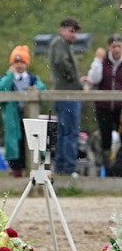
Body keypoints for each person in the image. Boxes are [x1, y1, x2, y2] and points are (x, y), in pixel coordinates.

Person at [0, 45, 46, 178]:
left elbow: (42, 90)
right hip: (13, 118)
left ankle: (34, 173)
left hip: (29, 116)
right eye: (16, 62)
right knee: (15, 146)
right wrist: (10, 75)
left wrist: (35, 89)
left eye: (22, 62)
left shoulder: (33, 79)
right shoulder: (5, 78)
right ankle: (16, 172)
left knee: (31, 144)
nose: (19, 65)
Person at [48, 16, 86, 175]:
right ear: (62, 29)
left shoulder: (62, 44)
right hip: (67, 94)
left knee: (64, 132)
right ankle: (68, 168)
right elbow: (62, 63)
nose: (74, 35)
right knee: (70, 132)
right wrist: (76, 81)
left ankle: (62, 168)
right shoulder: (59, 43)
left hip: (65, 93)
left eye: (75, 32)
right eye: (71, 31)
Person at [88, 33, 122, 175]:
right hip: (104, 106)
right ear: (109, 47)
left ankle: (118, 169)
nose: (116, 49)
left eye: (119, 46)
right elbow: (94, 79)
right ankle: (106, 170)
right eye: (113, 46)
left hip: (120, 107)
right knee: (105, 139)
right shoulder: (103, 61)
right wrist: (97, 60)